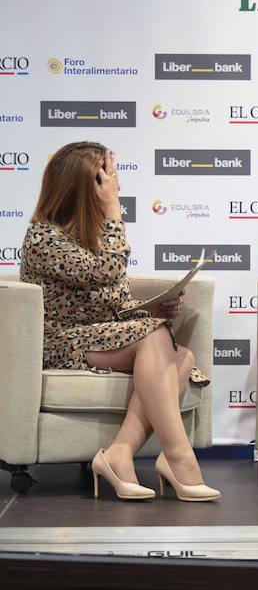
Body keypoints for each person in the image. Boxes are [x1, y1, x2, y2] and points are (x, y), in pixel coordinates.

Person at [20, 141, 220, 502]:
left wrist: (152, 310)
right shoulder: (42, 238)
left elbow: (114, 298)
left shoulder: (98, 235)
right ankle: (179, 458)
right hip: (62, 341)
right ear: (87, 185)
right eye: (110, 178)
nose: (118, 186)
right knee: (159, 341)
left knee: (184, 356)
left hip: (99, 336)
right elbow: (106, 270)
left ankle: (120, 453)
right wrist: (114, 210)